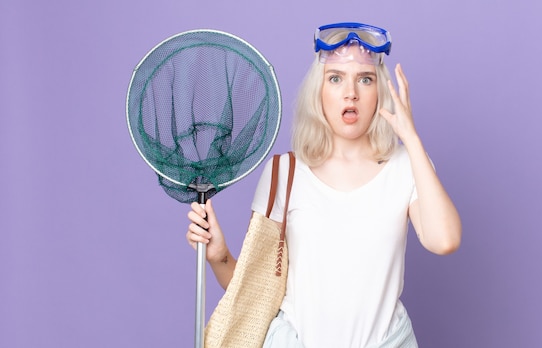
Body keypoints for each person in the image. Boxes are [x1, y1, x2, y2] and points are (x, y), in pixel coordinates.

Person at [186, 22, 462, 348]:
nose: (351, 93)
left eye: (365, 79)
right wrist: (219, 255)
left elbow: (444, 240)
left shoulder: (406, 166)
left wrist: (412, 139)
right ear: (319, 90)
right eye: (336, 78)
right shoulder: (284, 173)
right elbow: (255, 293)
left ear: (380, 91)